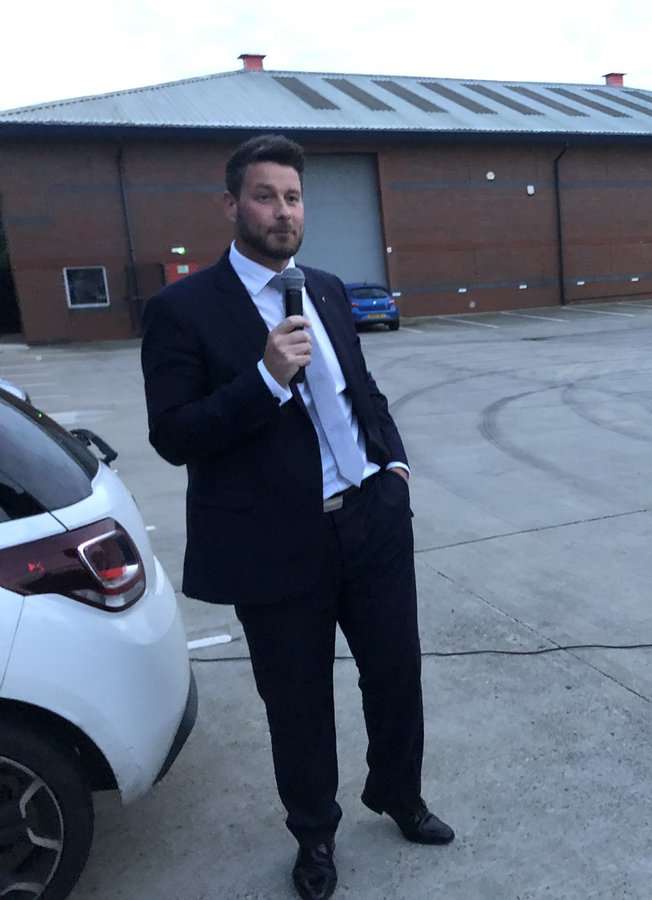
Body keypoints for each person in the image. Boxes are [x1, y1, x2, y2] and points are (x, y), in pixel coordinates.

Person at [141, 134, 452, 900]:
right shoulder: (182, 310)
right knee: (298, 702)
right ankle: (314, 834)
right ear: (231, 205)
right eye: (264, 196)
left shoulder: (329, 288)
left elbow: (363, 392)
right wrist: (265, 377)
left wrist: (394, 467)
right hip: (276, 544)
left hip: (371, 520)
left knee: (396, 674)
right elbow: (174, 434)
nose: (282, 211)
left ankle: (398, 793)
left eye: (292, 197)